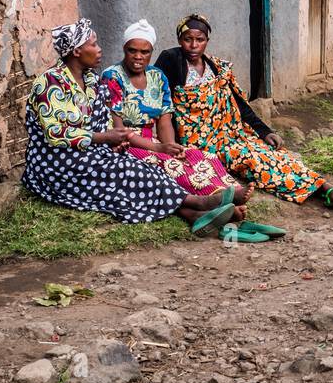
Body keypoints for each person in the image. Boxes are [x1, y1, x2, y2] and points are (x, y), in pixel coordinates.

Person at [21, 19, 249, 235]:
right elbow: (56, 134)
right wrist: (106, 138)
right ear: (76, 51)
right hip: (55, 164)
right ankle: (196, 202)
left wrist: (112, 144)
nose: (99, 49)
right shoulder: (50, 83)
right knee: (129, 173)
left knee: (141, 172)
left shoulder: (91, 80)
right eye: (94, 44)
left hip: (90, 153)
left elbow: (101, 121)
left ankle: (192, 213)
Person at [155, 13, 333, 208]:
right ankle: (319, 189)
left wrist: (265, 132)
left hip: (231, 134)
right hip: (204, 144)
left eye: (200, 39)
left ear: (207, 40)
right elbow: (159, 97)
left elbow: (239, 105)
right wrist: (169, 143)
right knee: (254, 161)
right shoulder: (171, 59)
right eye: (188, 39)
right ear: (179, 39)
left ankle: (328, 188)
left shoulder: (217, 69)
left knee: (275, 154)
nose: (194, 45)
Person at [98, 19, 240, 199]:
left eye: (145, 51)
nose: (138, 56)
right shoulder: (112, 76)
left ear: (151, 52)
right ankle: (212, 196)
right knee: (168, 164)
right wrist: (160, 149)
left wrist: (170, 147)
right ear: (124, 49)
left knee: (198, 155)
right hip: (126, 144)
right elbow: (118, 130)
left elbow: (164, 121)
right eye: (132, 50)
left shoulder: (158, 77)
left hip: (153, 140)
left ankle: (230, 188)